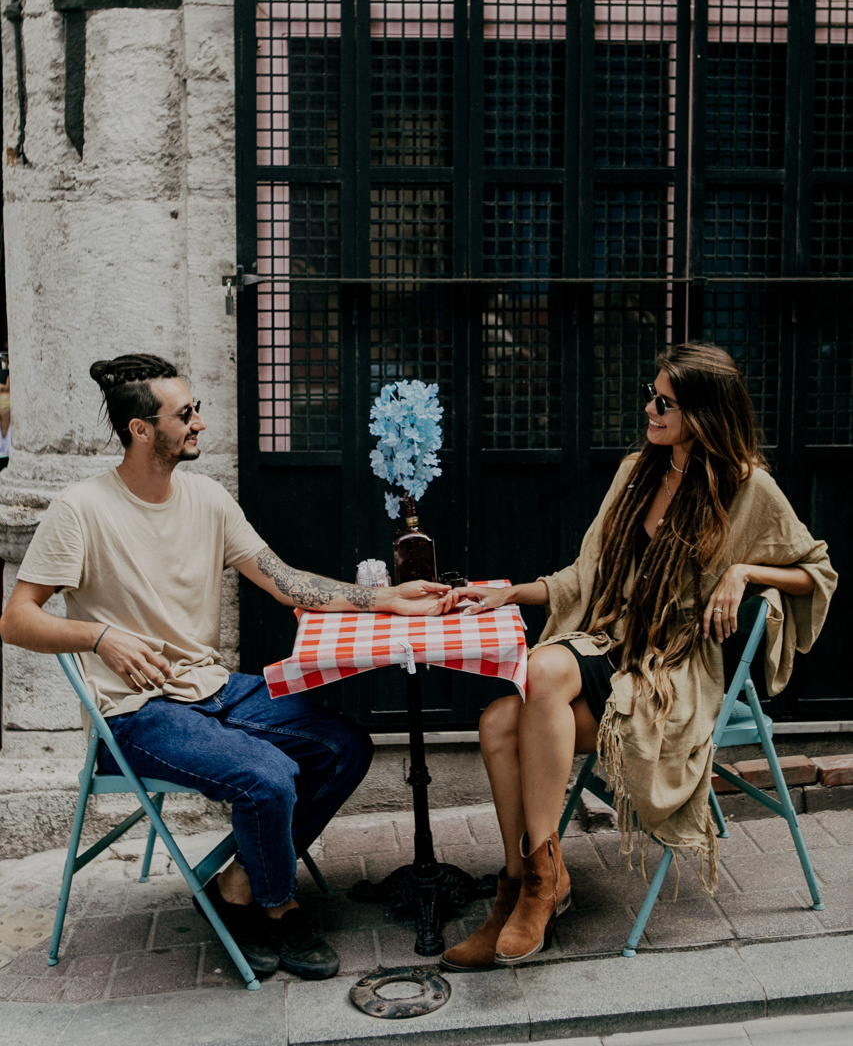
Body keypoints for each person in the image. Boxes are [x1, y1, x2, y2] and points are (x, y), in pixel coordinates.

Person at [0, 354, 455, 981]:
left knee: (346, 745)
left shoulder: (208, 498)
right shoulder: (81, 509)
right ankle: (277, 906)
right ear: (140, 429)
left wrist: (385, 599)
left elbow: (284, 581)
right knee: (267, 777)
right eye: (185, 414)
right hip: (137, 712)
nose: (200, 424)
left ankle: (239, 882)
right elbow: (16, 619)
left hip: (214, 690)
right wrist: (99, 636)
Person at [443, 341, 837, 972]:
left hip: (672, 665)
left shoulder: (747, 487)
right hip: (610, 639)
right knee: (501, 715)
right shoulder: (637, 471)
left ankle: (538, 887)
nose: (649, 409)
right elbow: (585, 575)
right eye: (650, 395)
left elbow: (817, 571)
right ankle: (525, 883)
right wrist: (508, 592)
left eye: (665, 402)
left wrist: (743, 569)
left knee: (515, 703)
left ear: (705, 414)